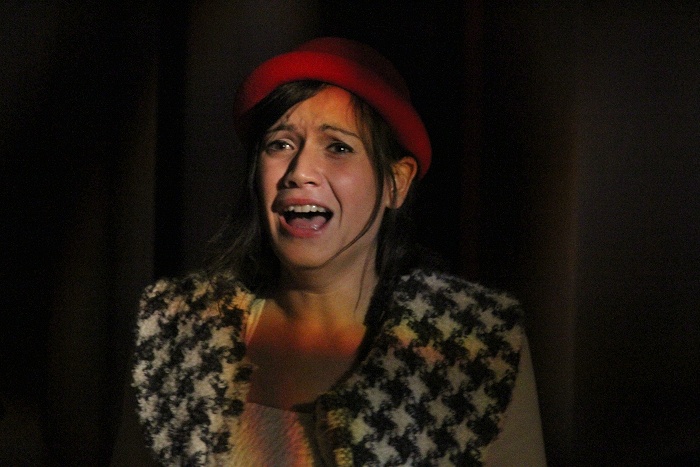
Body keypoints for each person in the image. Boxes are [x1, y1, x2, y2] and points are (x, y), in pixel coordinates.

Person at [130, 37, 546, 466]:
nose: (300, 172)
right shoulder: (182, 333)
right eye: (280, 144)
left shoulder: (473, 347)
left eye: (338, 148)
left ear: (396, 182)